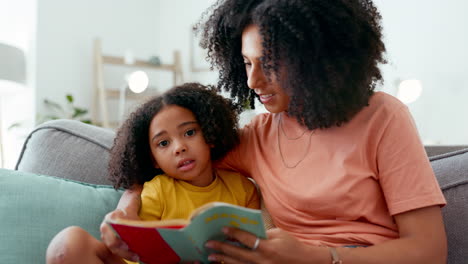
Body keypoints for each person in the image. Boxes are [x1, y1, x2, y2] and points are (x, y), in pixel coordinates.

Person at [109, 0, 447, 263]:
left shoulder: (383, 117)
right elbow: (170, 160)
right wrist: (127, 208)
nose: (253, 81)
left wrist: (318, 258)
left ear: (314, 57)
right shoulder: (257, 136)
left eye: (269, 62)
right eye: (246, 63)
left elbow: (429, 251)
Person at [46, 83, 260, 264]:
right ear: (153, 160)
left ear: (210, 134)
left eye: (189, 132)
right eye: (163, 143)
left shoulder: (243, 189)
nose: (179, 147)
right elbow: (138, 252)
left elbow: (253, 249)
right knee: (68, 243)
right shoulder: (156, 190)